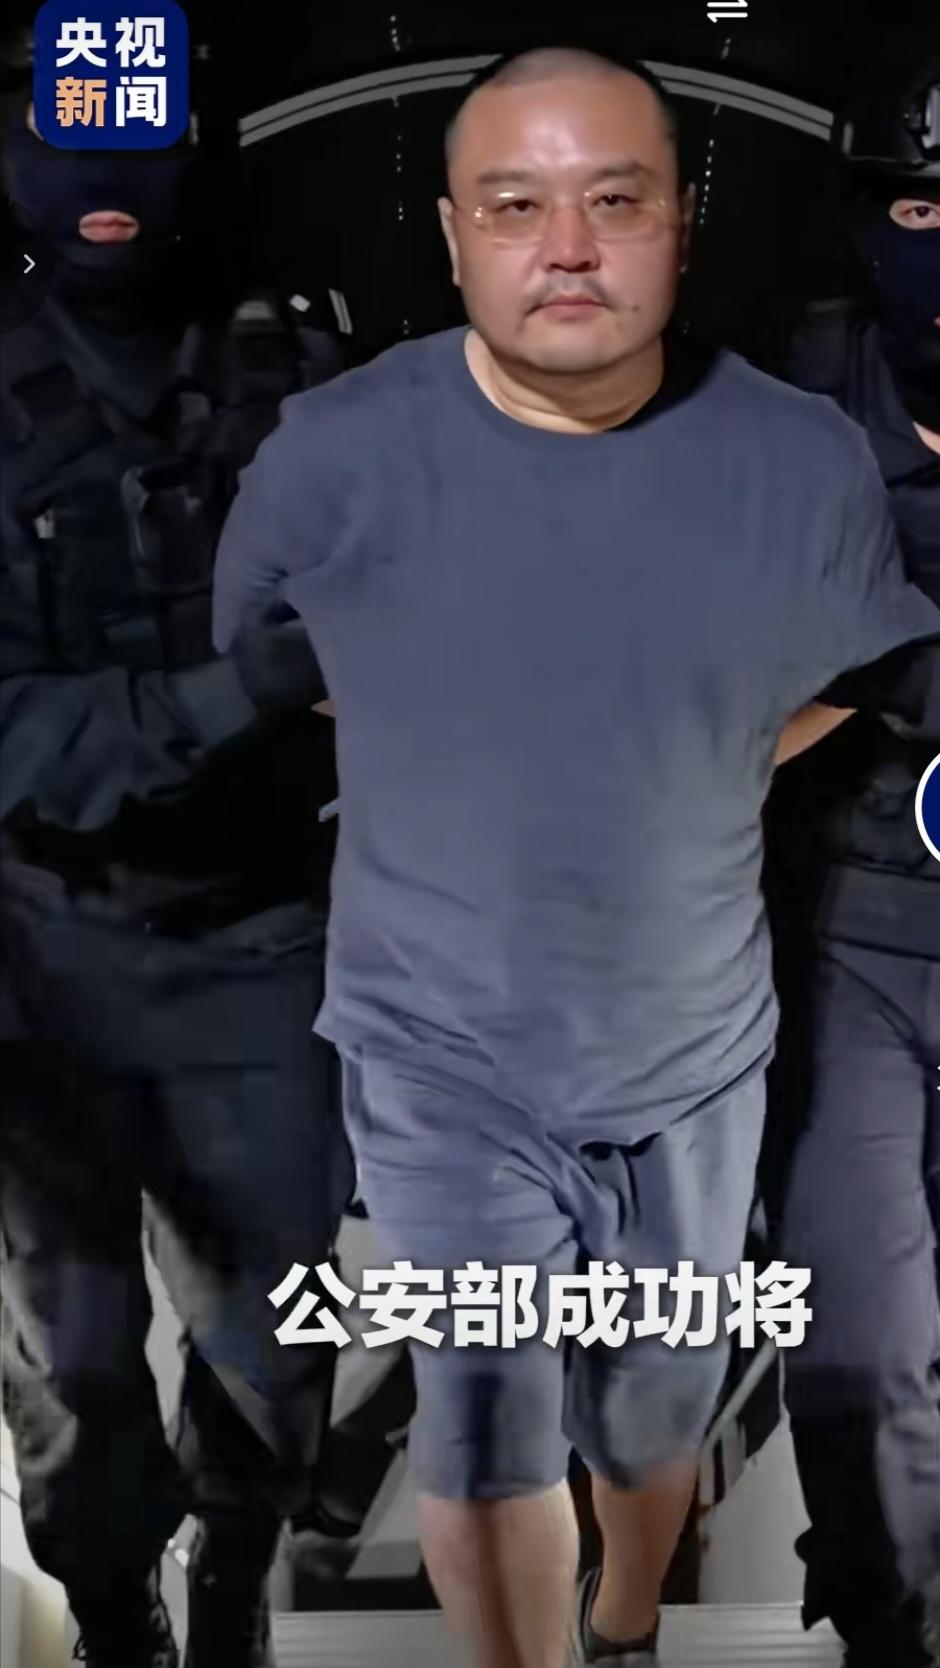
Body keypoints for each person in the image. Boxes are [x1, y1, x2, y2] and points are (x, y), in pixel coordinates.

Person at [213, 44, 940, 1668]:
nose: (566, 249)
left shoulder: (798, 459)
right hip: (437, 1041)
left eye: (613, 203)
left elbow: (848, 663)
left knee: (650, 1415)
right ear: (453, 234)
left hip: (693, 1047)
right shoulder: (333, 456)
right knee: (484, 1418)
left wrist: (672, 750)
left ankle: (624, 1621)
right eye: (514, 206)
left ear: (679, 222)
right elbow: (270, 674)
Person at [0, 101, 354, 1668]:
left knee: (274, 1334)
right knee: (72, 1360)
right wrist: (237, 691)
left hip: (265, 933)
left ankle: (235, 1579)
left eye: (141, 142)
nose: (109, 190)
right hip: (40, 940)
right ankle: (110, 1612)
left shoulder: (305, 371)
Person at [766, 59, 940, 1668]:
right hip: (852, 927)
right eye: (920, 209)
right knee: (862, 1349)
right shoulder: (790, 406)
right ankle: (886, 1625)